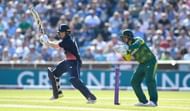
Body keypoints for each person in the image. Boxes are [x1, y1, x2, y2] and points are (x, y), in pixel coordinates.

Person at [40, 24, 96, 103]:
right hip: (68, 62)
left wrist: (47, 41)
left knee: (74, 80)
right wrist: (47, 42)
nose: (60, 34)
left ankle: (91, 97)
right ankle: (57, 94)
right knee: (53, 73)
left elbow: (56, 45)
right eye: (60, 32)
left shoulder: (68, 41)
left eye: (62, 32)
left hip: (74, 62)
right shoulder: (66, 40)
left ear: (67, 33)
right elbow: (57, 43)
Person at [120, 29, 158, 107]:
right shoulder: (128, 47)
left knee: (150, 80)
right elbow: (128, 59)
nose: (123, 39)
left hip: (150, 61)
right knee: (134, 81)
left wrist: (128, 50)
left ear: (129, 37)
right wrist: (123, 53)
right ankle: (143, 101)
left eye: (125, 37)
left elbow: (136, 45)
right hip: (142, 64)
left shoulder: (138, 40)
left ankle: (153, 101)